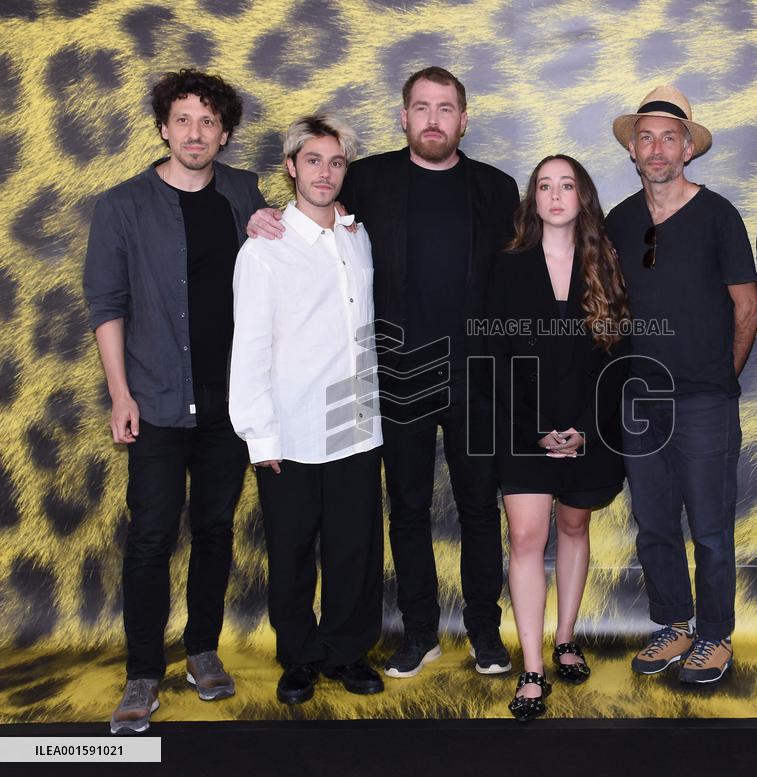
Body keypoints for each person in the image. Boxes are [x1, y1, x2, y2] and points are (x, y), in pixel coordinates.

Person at [247, 67, 519, 678]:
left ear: (463, 119)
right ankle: (418, 630)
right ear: (403, 117)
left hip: (477, 379)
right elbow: (309, 212)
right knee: (408, 509)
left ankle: (483, 629)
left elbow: (519, 282)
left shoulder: (498, 190)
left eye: (445, 108)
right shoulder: (368, 178)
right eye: (420, 107)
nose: (432, 119)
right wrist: (257, 215)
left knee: (479, 507)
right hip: (396, 379)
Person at [83, 69, 266, 734]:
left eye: (208, 122)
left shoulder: (246, 194)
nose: (196, 133)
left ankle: (202, 649)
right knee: (151, 537)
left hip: (230, 404)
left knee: (217, 530)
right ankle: (141, 672)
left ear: (224, 133)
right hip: (156, 398)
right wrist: (121, 393)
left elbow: (274, 282)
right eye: (183, 120)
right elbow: (107, 304)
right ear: (164, 127)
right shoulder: (122, 205)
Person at [605, 85, 757, 684]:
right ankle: (674, 625)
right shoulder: (619, 221)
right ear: (634, 150)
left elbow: (747, 308)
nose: (657, 147)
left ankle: (715, 636)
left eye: (670, 137)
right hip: (639, 400)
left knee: (712, 528)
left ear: (688, 149)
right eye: (646, 136)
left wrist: (722, 375)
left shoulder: (718, 214)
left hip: (703, 400)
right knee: (655, 524)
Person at [229, 114, 385, 704]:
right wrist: (260, 436)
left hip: (354, 424)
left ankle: (349, 653)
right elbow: (251, 349)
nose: (325, 172)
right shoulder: (264, 250)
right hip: (290, 430)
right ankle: (298, 658)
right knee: (292, 552)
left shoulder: (356, 236)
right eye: (313, 160)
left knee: (355, 550)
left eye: (336, 162)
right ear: (291, 167)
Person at [485, 155, 630, 721]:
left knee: (573, 525)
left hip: (588, 430)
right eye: (544, 185)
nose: (554, 195)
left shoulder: (606, 266)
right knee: (525, 537)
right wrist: (535, 431)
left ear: (582, 197)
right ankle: (532, 667)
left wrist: (586, 432)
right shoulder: (508, 266)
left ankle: (565, 639)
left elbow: (618, 359)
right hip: (524, 430)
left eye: (566, 185)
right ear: (533, 199)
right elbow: (493, 359)